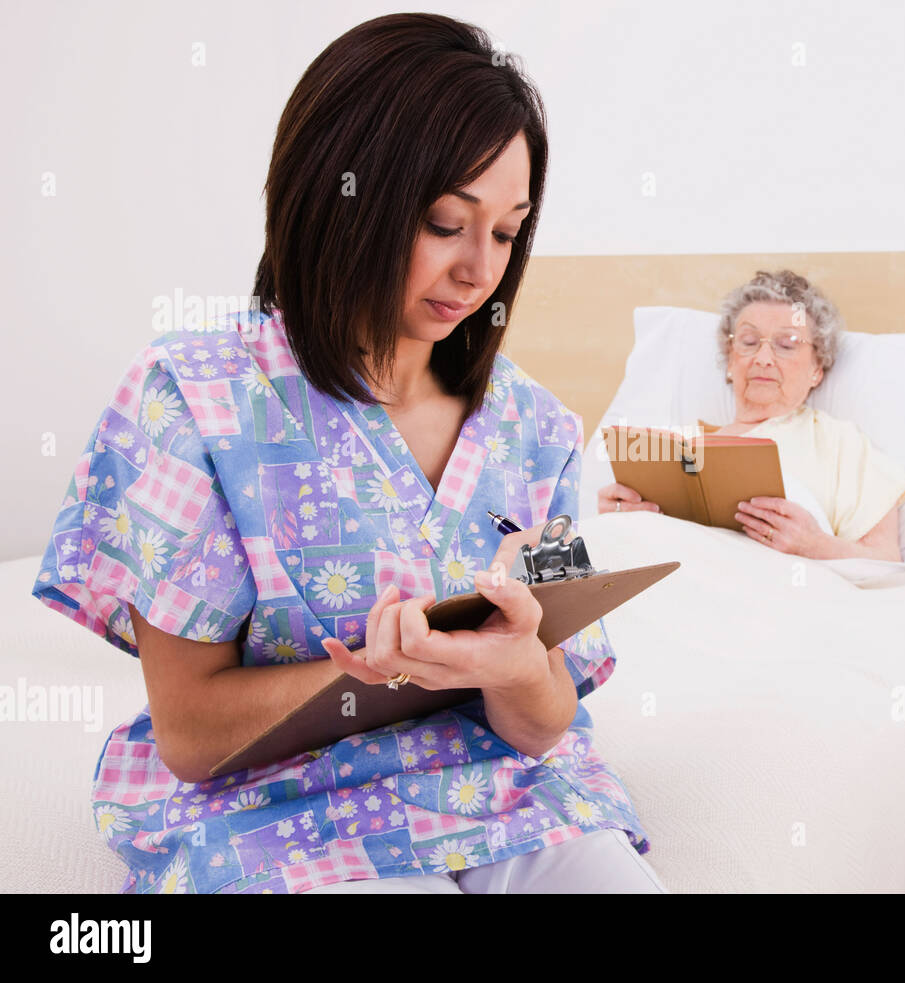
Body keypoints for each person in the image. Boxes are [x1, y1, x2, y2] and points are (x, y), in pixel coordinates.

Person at [31, 13, 664, 895]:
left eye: (508, 232)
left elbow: (545, 722)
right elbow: (190, 734)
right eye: (447, 222)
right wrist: (377, 670)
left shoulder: (535, 428)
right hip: (279, 813)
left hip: (509, 796)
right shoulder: (197, 400)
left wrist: (517, 665)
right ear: (341, 195)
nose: (481, 271)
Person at [597, 270, 905, 562]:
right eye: (749, 342)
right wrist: (622, 516)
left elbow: (888, 563)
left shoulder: (840, 443)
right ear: (730, 361)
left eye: (787, 345)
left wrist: (814, 545)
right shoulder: (674, 447)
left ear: (817, 368)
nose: (763, 358)